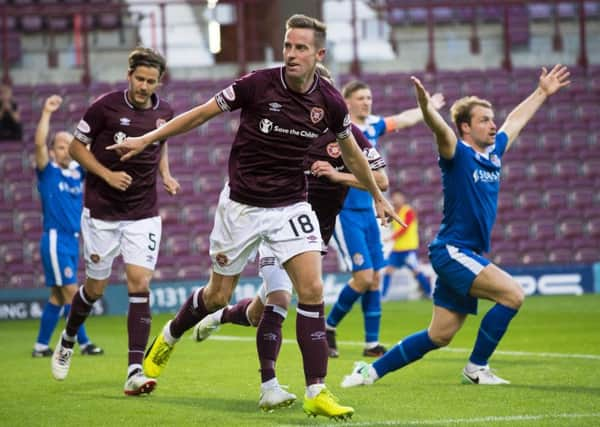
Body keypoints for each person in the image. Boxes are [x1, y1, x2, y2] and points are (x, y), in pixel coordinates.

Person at [109, 15, 400, 419]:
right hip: (242, 206)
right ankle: (171, 335)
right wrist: (148, 138)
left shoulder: (330, 102)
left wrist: (378, 197)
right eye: (287, 46)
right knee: (218, 297)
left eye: (301, 48)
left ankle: (316, 389)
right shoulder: (257, 84)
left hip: (290, 206)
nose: (291, 54)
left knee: (312, 289)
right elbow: (200, 113)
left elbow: (352, 152)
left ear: (319, 54)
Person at [341, 64, 570, 388]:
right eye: (484, 120)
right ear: (465, 127)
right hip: (452, 250)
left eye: (491, 119)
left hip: (464, 251)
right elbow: (440, 130)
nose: (493, 125)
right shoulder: (457, 152)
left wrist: (542, 92)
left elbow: (515, 120)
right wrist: (425, 108)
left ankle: (369, 372)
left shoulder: (494, 153)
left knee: (439, 335)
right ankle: (477, 367)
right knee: (513, 295)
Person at [190, 63, 389, 412]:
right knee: (280, 300)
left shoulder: (349, 136)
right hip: (274, 220)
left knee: (258, 311)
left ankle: (219, 317)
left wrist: (338, 177)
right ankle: (275, 386)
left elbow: (381, 179)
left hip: (310, 235)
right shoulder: (289, 131)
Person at [50, 47, 181, 396]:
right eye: (139, 79)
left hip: (143, 213)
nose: (144, 86)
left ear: (158, 82)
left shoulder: (165, 111)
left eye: (151, 81)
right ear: (129, 76)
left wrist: (166, 175)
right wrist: (107, 175)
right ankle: (68, 337)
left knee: (139, 283)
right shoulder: (105, 106)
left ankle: (134, 369)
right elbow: (78, 148)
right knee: (95, 288)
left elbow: (161, 141)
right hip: (102, 211)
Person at [326, 80, 444, 358]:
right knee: (364, 277)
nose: (367, 102)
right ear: (347, 102)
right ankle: (328, 327)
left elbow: (403, 119)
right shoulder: (337, 130)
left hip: (369, 210)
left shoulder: (374, 126)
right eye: (361, 98)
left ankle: (371, 344)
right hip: (344, 211)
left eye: (369, 97)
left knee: (376, 278)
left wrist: (426, 107)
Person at [32, 95, 103, 358]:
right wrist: (47, 112)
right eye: (60, 146)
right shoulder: (48, 171)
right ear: (52, 152)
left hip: (72, 240)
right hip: (55, 239)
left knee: (58, 297)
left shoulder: (76, 172)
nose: (65, 149)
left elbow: (88, 154)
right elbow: (39, 143)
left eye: (67, 146)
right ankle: (83, 344)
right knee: (73, 294)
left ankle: (40, 346)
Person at [381, 191, 432, 299]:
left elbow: (405, 227)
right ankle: (383, 296)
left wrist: (391, 237)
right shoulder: (394, 212)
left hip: (409, 249)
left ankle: (429, 293)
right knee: (388, 271)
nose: (395, 200)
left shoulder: (408, 211)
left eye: (398, 197)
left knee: (416, 271)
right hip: (397, 249)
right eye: (394, 198)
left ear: (403, 198)